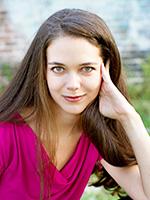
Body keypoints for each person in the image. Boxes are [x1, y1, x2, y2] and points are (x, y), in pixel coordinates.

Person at [0, 8, 149, 200]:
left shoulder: (95, 134)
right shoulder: (6, 133)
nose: (73, 85)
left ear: (105, 70)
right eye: (58, 68)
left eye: (87, 68)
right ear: (42, 70)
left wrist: (129, 117)